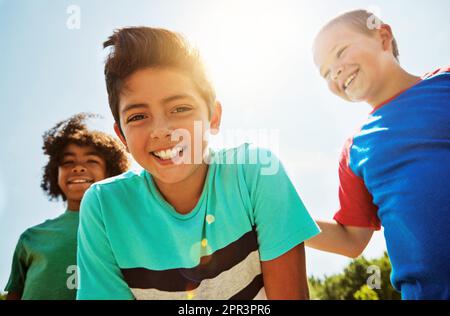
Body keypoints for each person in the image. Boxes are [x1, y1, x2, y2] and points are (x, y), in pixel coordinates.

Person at [76, 27, 320, 300]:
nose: (161, 130)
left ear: (213, 117)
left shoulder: (255, 171)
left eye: (180, 109)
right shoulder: (103, 206)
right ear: (121, 135)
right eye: (137, 117)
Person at [307, 9, 450, 299]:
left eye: (340, 52)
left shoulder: (445, 84)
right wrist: (283, 220)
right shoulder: (355, 150)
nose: (334, 71)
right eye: (325, 73)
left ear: (383, 37)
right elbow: (351, 239)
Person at [5, 113, 130, 300]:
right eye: (68, 162)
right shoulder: (31, 237)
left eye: (92, 161)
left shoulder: (128, 230)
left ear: (110, 171)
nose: (78, 168)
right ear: (54, 174)